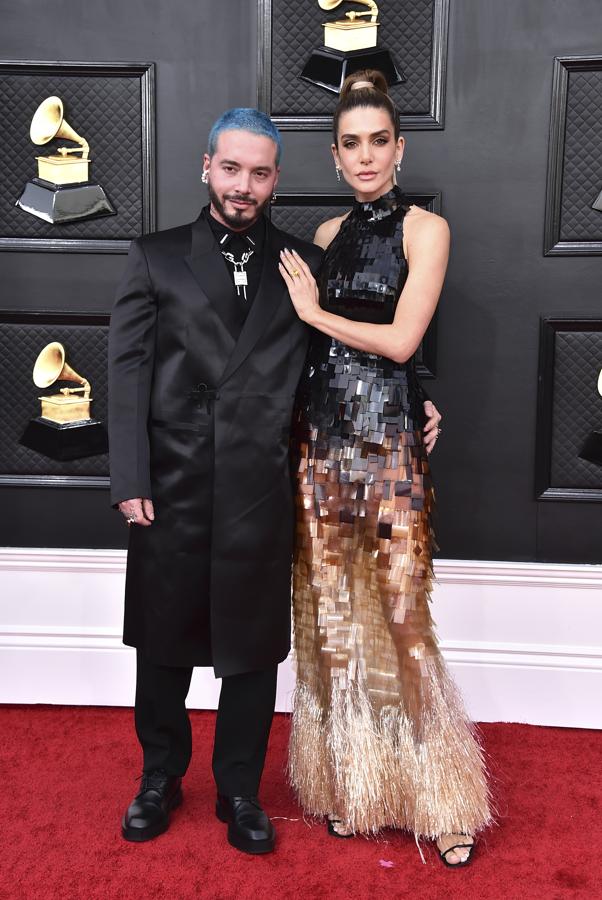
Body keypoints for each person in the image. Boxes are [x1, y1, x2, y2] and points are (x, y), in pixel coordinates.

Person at [108, 105, 441, 855]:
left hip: (262, 484)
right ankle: (158, 779)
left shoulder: (303, 263)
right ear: (206, 167)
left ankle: (239, 792)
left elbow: (343, 353)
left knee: (252, 650)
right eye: (231, 168)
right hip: (173, 482)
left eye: (260, 173)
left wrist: (417, 397)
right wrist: (129, 475)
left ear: (276, 180)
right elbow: (124, 372)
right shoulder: (154, 256)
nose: (243, 185)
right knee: (163, 644)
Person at [279, 71, 491, 867]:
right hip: (320, 445)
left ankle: (444, 800)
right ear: (335, 157)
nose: (365, 156)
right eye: (350, 144)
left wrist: (409, 393)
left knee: (403, 619)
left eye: (378, 141)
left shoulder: (426, 230)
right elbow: (303, 351)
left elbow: (401, 342)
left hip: (389, 449)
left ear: (399, 149)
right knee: (333, 622)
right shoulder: (326, 238)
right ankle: (356, 787)